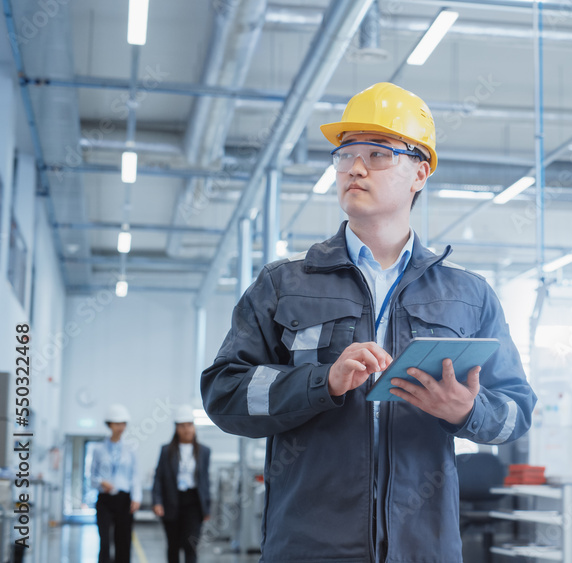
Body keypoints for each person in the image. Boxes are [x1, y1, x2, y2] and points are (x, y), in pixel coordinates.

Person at [202, 82, 536, 562]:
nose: (355, 167)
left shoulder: (468, 295)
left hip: (424, 548)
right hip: (311, 549)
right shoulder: (284, 284)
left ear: (419, 173)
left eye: (378, 153)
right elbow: (224, 393)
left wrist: (466, 410)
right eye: (345, 153)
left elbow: (516, 413)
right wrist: (323, 382)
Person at [152, 406, 212, 563]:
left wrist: (207, 506)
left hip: (194, 503)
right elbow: (158, 478)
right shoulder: (166, 451)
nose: (187, 429)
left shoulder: (204, 451)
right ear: (177, 428)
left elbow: (205, 481)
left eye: (189, 425)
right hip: (172, 501)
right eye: (182, 426)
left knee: (190, 545)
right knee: (173, 546)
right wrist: (157, 502)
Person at [90, 403, 141, 563]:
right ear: (109, 424)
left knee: (123, 541)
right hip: (105, 500)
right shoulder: (98, 449)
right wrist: (101, 482)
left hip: (124, 500)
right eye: (117, 423)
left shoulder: (131, 449)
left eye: (123, 424)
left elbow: (135, 475)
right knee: (104, 542)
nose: (121, 427)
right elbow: (91, 478)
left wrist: (136, 498)